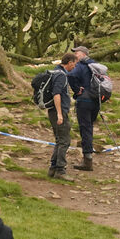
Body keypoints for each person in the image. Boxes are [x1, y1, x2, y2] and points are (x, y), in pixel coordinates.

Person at [67, 45, 99, 172]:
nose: (75, 55)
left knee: (85, 128)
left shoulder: (80, 66)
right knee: (89, 126)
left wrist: (76, 90)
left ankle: (87, 160)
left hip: (84, 100)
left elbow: (71, 76)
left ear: (84, 54)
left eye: (77, 53)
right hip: (96, 100)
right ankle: (88, 156)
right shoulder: (96, 65)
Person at [47, 52, 76, 181]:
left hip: (54, 111)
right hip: (58, 112)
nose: (75, 67)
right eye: (74, 64)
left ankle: (53, 168)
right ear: (69, 63)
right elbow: (56, 94)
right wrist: (60, 114)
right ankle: (60, 170)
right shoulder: (61, 75)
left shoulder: (55, 71)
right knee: (65, 140)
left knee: (60, 139)